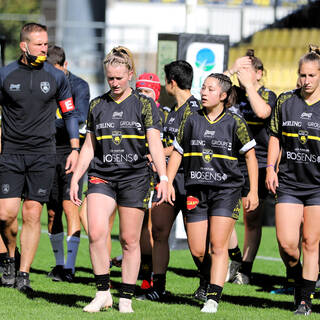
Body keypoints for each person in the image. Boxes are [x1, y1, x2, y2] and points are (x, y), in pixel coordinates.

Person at [70, 46, 167, 313]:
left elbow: (155, 144)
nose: (114, 83)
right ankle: (103, 293)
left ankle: (125, 297)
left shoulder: (144, 105)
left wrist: (164, 177)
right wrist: (76, 177)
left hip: (134, 178)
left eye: (119, 78)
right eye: (110, 78)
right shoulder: (96, 105)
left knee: (129, 240)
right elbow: (89, 146)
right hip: (102, 176)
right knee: (98, 232)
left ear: (130, 75)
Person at [167, 73, 258, 313]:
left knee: (218, 245)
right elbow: (177, 152)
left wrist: (253, 190)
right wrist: (166, 181)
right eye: (203, 87)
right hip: (196, 189)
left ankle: (213, 298)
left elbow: (250, 156)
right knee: (198, 249)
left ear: (224, 96)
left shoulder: (235, 121)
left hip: (226, 191)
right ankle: (209, 279)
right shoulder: (191, 119)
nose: (204, 92)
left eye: (210, 89)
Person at [0, 22, 79, 292]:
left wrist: (75, 148)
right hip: (10, 153)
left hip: (43, 155)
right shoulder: (6, 74)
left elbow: (69, 113)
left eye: (46, 44)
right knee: (5, 214)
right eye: (39, 45)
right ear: (24, 46)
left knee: (32, 213)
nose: (44, 49)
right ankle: (10, 255)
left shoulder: (57, 77)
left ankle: (23, 274)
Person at [266, 45, 320, 316]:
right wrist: (270, 168)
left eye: (311, 76)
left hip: (317, 187)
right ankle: (301, 280)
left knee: (311, 241)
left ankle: (305, 299)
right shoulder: (286, 102)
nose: (305, 81)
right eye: (302, 75)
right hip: (289, 181)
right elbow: (275, 136)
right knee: (288, 244)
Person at [141, 60, 202, 302]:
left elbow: (187, 146)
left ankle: (207, 283)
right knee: (159, 231)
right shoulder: (174, 110)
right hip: (169, 181)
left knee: (197, 245)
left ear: (171, 83)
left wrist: (156, 153)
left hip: (191, 181)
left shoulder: (195, 109)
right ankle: (158, 286)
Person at [224, 49, 277, 284]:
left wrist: (249, 87)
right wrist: (231, 70)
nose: (241, 75)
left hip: (261, 163)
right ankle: (234, 257)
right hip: (232, 162)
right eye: (240, 71)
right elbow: (207, 94)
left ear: (259, 73)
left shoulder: (268, 94)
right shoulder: (232, 93)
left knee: (252, 218)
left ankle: (245, 269)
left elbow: (262, 111)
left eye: (247, 71)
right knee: (223, 214)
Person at [45, 45, 90, 282]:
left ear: (65, 66)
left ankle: (70, 268)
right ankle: (59, 264)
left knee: (70, 205)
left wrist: (44, 123)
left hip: (71, 152)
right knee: (52, 212)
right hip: (45, 152)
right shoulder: (42, 85)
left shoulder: (79, 86)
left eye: (56, 72)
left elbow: (79, 118)